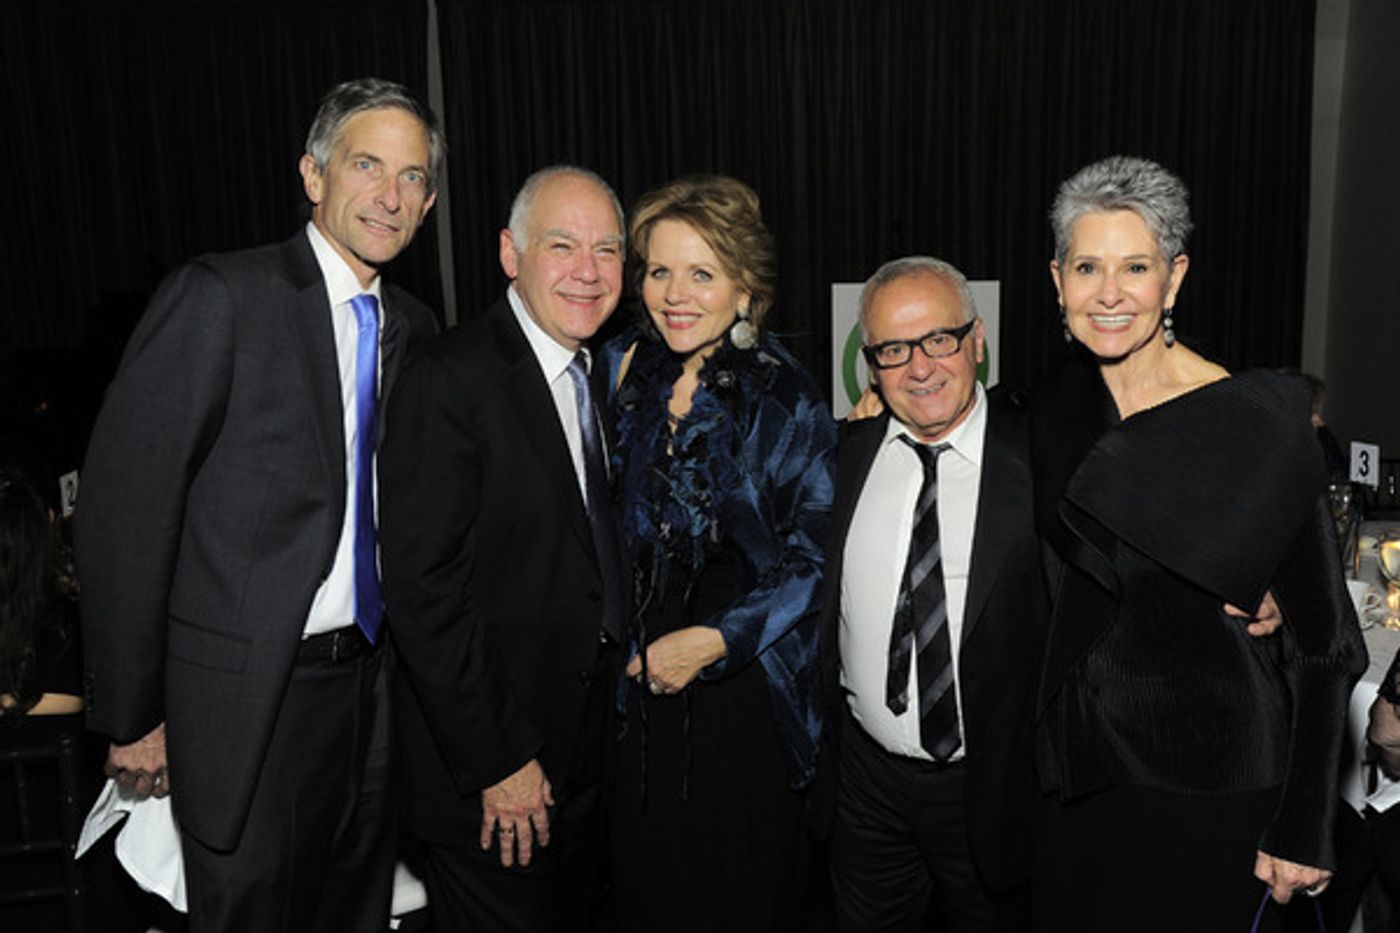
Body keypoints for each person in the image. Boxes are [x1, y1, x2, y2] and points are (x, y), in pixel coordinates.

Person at [73, 77, 442, 932]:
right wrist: (133, 715)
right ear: (313, 175)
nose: (392, 195)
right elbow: (127, 513)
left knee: (357, 913)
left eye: (415, 177)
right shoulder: (221, 297)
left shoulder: (416, 329)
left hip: (375, 695)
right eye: (367, 165)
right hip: (248, 707)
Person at [1030, 155, 1365, 931]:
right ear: (1057, 280)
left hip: (1213, 779)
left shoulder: (1256, 424)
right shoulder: (1053, 406)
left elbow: (1331, 643)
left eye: (1135, 266)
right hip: (1081, 777)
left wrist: (1305, 823)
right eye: (1088, 266)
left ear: (1173, 279)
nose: (1109, 293)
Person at [379, 165, 629, 932]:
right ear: (509, 254)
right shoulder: (449, 378)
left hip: (586, 755)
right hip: (497, 779)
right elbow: (423, 592)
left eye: (608, 248)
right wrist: (499, 759)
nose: (588, 271)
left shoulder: (599, 372)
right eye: (562, 245)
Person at [597, 174, 836, 931]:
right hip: (630, 690)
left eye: (702, 273)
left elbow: (813, 558)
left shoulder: (786, 398)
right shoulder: (617, 370)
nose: (674, 293)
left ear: (746, 290)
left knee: (733, 890)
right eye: (659, 269)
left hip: (740, 689)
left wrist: (712, 641)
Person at [812, 257, 1046, 932]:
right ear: (870, 364)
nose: (919, 367)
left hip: (992, 789)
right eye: (893, 349)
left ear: (977, 340)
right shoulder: (842, 455)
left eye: (939, 339)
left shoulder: (1040, 457)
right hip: (865, 789)